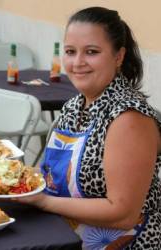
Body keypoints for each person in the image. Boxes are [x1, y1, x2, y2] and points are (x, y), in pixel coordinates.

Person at [14, 7, 161, 249]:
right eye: (70, 52)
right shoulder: (74, 104)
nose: (77, 63)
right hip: (65, 235)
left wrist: (42, 201)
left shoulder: (128, 117)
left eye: (91, 52)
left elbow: (122, 212)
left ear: (118, 56)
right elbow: (54, 176)